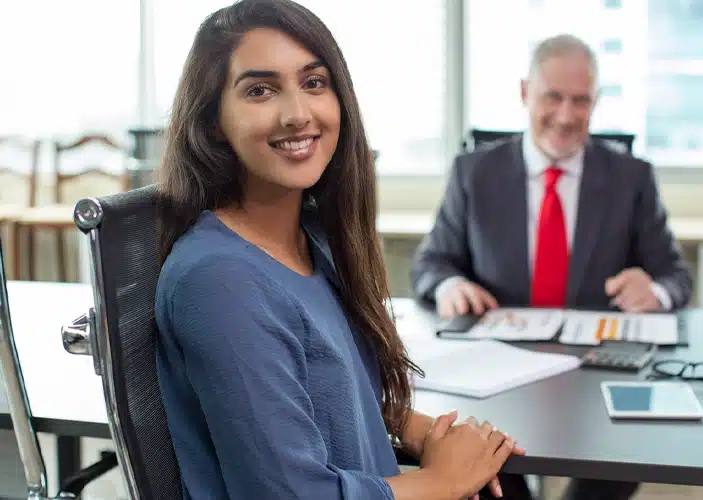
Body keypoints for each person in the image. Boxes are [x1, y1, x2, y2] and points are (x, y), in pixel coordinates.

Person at [153, 1, 525, 499]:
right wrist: (442, 481)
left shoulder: (312, 239)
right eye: (259, 90)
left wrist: (411, 426)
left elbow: (325, 395)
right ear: (214, 120)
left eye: (313, 83)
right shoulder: (221, 281)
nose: (296, 114)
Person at [411, 34, 693, 500]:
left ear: (595, 102)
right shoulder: (473, 172)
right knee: (485, 467)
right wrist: (448, 284)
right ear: (525, 93)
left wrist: (655, 292)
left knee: (621, 463)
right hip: (496, 374)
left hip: (597, 373)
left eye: (580, 101)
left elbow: (676, 277)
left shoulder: (632, 177)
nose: (565, 116)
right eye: (553, 97)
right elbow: (431, 262)